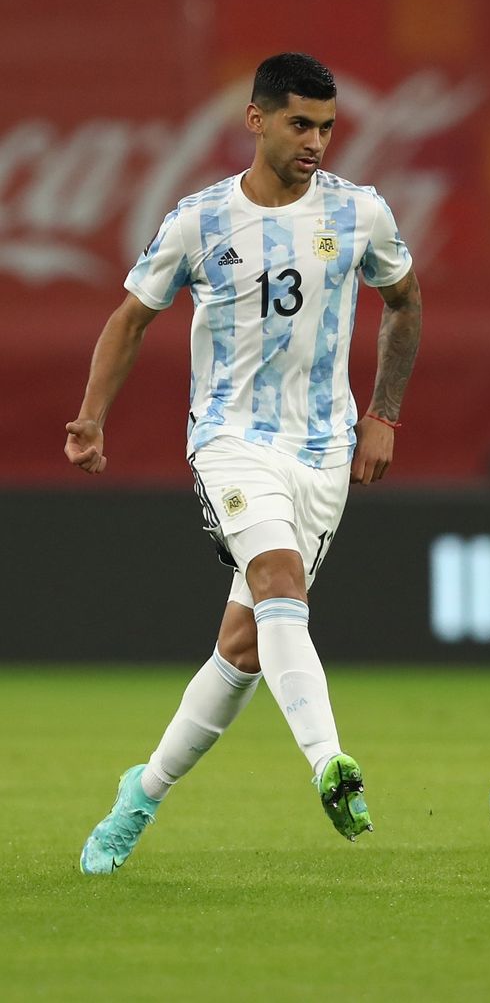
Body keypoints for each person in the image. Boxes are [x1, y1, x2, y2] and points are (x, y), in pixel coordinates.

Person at [64, 52, 421, 875]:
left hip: (325, 449)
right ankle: (330, 761)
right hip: (230, 439)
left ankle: (140, 794)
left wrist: (385, 413)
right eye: (301, 123)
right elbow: (130, 318)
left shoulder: (361, 213)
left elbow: (404, 300)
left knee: (247, 644)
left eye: (328, 127)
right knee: (279, 586)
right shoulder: (199, 221)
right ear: (255, 120)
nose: (317, 141)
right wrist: (89, 417)